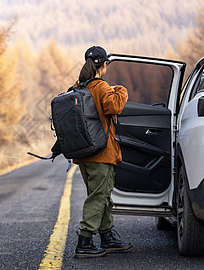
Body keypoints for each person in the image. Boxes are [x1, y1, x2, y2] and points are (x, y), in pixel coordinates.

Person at [73, 46, 132, 259]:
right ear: (103, 65)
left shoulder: (78, 87)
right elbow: (114, 106)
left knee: (101, 195)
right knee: (99, 196)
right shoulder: (100, 86)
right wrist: (121, 89)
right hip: (101, 153)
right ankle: (85, 241)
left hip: (84, 154)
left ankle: (107, 236)